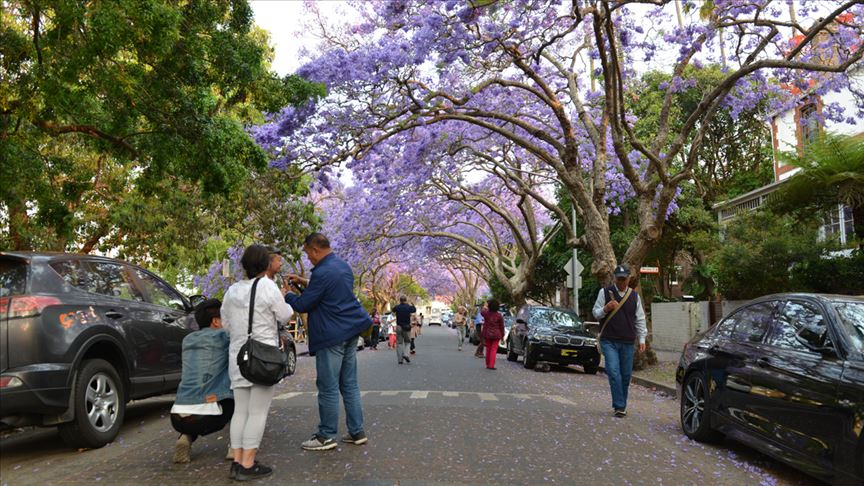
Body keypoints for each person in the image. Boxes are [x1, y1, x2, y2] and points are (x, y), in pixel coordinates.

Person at [284, 233, 372, 451]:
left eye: (308, 254)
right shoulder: (343, 266)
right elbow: (329, 289)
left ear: (315, 250)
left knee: (328, 386)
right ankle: (357, 431)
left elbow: (303, 304)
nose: (308, 258)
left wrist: (287, 294)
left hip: (331, 335)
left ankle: (326, 435)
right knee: (349, 384)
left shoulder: (322, 272)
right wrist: (304, 281)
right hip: (350, 332)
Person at [222, 244, 294, 480]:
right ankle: (248, 464)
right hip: (262, 356)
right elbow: (285, 315)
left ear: (244, 265)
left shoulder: (232, 291)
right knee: (258, 412)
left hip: (238, 356)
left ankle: (237, 462)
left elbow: (226, 324)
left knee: (240, 411)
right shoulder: (267, 286)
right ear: (265, 264)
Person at [171, 298, 234, 465]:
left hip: (178, 416)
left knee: (197, 403)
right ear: (216, 321)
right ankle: (235, 446)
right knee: (239, 395)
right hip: (211, 415)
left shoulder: (188, 339)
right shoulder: (224, 336)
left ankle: (185, 437)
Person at [592, 264, 648, 418]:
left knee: (625, 375)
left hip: (628, 342)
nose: (622, 282)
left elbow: (640, 318)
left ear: (629, 279)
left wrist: (642, 339)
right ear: (614, 279)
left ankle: (621, 403)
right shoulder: (604, 293)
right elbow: (596, 313)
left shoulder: (634, 296)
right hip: (609, 340)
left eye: (624, 279)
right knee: (613, 371)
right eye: (619, 279)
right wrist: (606, 308)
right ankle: (619, 406)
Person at [480, 300, 505, 370]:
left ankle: (488, 364)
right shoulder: (499, 315)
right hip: (496, 334)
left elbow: (482, 312)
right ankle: (491, 365)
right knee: (493, 350)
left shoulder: (486, 314)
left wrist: (485, 306)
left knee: (488, 349)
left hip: (487, 334)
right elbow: (502, 327)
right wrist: (502, 336)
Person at [391, 296, 416, 364]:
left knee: (399, 343)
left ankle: (400, 360)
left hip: (399, 326)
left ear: (400, 300)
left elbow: (393, 309)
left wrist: (396, 305)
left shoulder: (397, 307)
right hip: (406, 327)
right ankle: (406, 354)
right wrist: (412, 304)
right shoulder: (408, 307)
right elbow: (414, 310)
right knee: (407, 342)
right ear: (406, 300)